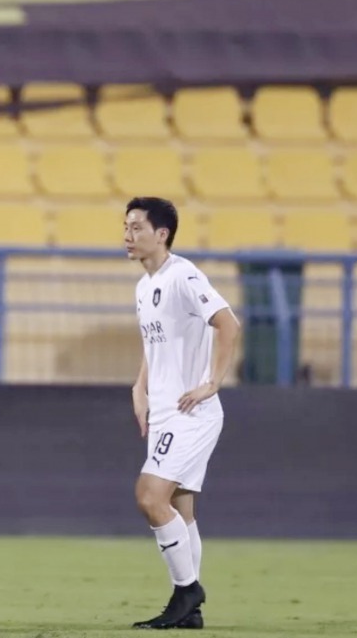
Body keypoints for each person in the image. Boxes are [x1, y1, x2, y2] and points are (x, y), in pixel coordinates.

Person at [125, 197, 241, 630]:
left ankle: (187, 590)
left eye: (137, 227)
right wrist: (140, 387)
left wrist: (213, 382)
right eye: (126, 227)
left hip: (190, 413)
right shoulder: (144, 287)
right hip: (164, 411)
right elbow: (154, 344)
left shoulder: (183, 275)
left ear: (162, 234)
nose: (128, 235)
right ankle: (190, 612)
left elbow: (228, 323)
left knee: (149, 496)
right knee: (180, 509)